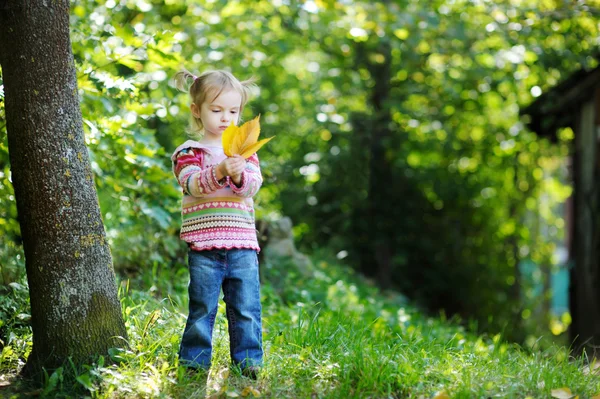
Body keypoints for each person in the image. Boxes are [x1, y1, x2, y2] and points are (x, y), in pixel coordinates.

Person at [171, 69, 263, 379]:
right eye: (216, 110)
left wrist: (237, 173)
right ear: (197, 111)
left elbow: (252, 186)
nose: (226, 118)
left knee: (246, 307)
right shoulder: (189, 152)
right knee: (202, 308)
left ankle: (248, 361)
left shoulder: (244, 152)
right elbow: (193, 185)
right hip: (204, 244)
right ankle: (194, 363)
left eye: (233, 111)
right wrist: (221, 170)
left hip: (242, 243)